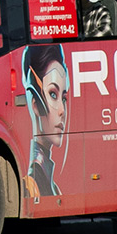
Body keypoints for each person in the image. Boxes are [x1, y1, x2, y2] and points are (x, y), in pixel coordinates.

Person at [22, 44, 69, 201]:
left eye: (63, 98)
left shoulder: (53, 187)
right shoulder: (31, 186)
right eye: (53, 95)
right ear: (36, 104)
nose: (62, 111)